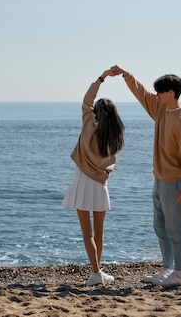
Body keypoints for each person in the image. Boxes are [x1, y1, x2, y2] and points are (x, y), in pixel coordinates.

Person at [111, 65, 181, 287]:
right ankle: (167, 268)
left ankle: (179, 272)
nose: (156, 96)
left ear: (171, 93)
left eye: (160, 92)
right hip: (159, 179)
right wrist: (126, 75)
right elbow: (141, 93)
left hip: (174, 182)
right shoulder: (160, 110)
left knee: (175, 228)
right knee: (160, 226)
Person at [62, 69, 125, 286]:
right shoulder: (114, 136)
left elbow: (87, 100)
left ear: (97, 112)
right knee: (98, 231)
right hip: (100, 184)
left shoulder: (89, 122)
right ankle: (98, 271)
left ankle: (96, 272)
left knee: (87, 232)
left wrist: (103, 77)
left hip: (82, 181)